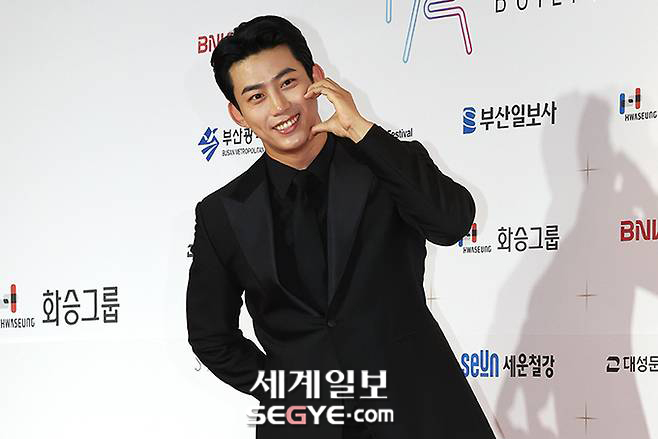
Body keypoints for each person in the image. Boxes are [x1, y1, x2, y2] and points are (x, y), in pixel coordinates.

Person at [186, 14, 496, 439]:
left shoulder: (382, 164)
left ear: (316, 78)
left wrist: (362, 132)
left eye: (288, 83)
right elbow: (210, 335)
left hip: (419, 411)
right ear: (237, 114)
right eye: (256, 96)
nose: (279, 106)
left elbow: (452, 223)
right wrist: (286, 391)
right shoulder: (221, 213)